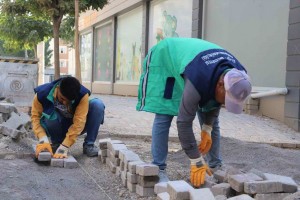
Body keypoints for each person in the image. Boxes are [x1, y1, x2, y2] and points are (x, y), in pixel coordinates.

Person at [136, 38, 252, 187]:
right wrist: (195, 160)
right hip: (168, 57)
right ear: (220, 84)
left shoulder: (237, 75)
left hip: (197, 64)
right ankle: (159, 168)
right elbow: (183, 123)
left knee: (211, 117)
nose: (224, 103)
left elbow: (216, 102)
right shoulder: (199, 78)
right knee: (165, 112)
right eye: (226, 99)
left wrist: (207, 128)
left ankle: (215, 165)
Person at [31, 76, 105, 159]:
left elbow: (79, 122)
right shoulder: (42, 93)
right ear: (58, 88)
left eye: (68, 101)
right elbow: (35, 118)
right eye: (62, 99)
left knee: (97, 105)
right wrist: (42, 139)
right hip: (56, 125)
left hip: (74, 125)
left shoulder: (82, 95)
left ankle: (89, 145)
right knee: (50, 116)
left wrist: (65, 146)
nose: (65, 103)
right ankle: (57, 143)